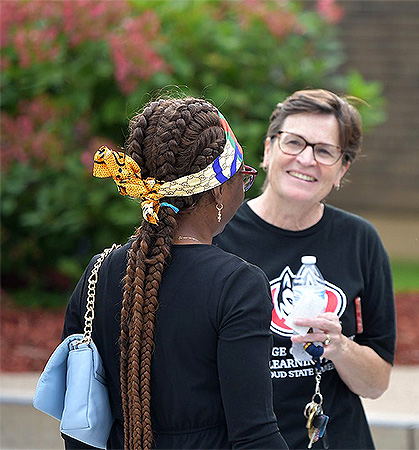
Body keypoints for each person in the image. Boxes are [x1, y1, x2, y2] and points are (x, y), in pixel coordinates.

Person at [62, 97, 288, 450]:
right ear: (217, 192)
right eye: (242, 179)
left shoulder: (98, 273)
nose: (244, 188)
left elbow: (77, 418)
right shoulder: (238, 286)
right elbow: (254, 434)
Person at [214, 89, 396, 449]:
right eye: (294, 143)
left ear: (342, 170)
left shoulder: (360, 240)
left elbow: (376, 383)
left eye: (324, 150)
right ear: (268, 150)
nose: (306, 159)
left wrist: (340, 346)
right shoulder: (218, 233)